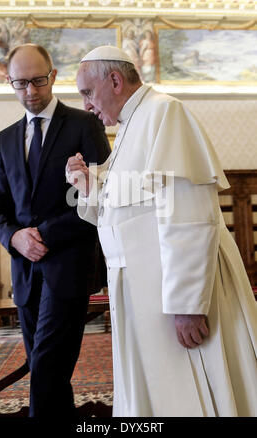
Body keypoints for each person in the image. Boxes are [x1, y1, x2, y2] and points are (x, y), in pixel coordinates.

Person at [66, 45, 257, 417]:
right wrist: (88, 185)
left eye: (88, 93)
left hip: (175, 293)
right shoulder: (131, 125)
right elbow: (124, 209)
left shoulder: (164, 113)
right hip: (141, 291)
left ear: (116, 80)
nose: (87, 105)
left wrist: (188, 304)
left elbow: (188, 214)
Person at [0, 43, 110, 418]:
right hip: (25, 272)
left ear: (53, 76)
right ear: (9, 82)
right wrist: (14, 237)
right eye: (21, 83)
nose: (31, 91)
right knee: (51, 373)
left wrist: (42, 235)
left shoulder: (84, 124)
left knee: (44, 368)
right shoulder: (6, 139)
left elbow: (102, 196)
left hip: (68, 267)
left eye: (38, 81)